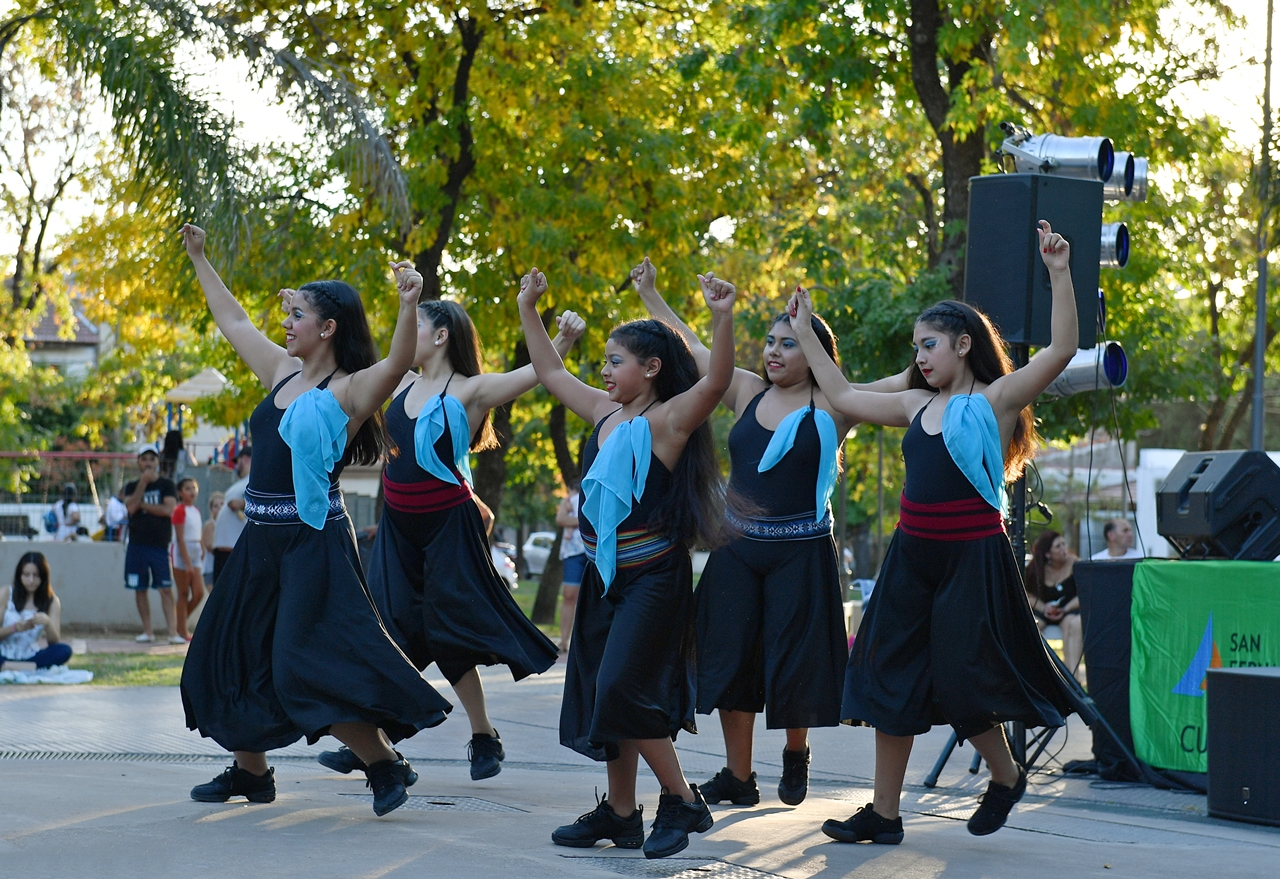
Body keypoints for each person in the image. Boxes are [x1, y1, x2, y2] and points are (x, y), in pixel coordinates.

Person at [799, 221, 1079, 844]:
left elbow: (1060, 351)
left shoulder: (1000, 398)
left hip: (972, 558)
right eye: (917, 347)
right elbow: (840, 394)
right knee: (888, 673)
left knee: (961, 681)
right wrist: (803, 334)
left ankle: (1005, 777)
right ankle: (884, 815)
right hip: (912, 555)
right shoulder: (913, 404)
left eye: (929, 345)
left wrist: (1059, 272)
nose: (919, 357)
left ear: (962, 344)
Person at [178, 223, 452, 817]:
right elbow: (234, 322)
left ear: (327, 328)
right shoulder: (280, 371)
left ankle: (384, 763)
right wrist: (201, 256)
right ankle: (252, 773)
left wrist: (408, 304)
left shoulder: (350, 389)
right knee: (229, 649)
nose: (286, 322)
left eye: (297, 314)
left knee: (304, 663)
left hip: (314, 541)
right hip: (261, 539)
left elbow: (401, 357)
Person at [635, 256, 908, 808]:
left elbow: (911, 380)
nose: (774, 352)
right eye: (771, 342)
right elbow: (689, 348)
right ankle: (739, 776)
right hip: (737, 548)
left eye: (790, 343)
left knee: (794, 662)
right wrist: (651, 297)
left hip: (801, 553)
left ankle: (794, 752)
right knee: (730, 658)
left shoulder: (836, 404)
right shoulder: (743, 390)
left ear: (813, 353)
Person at [319, 298, 583, 782]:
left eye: (415, 324)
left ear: (441, 336)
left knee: (450, 631)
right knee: (389, 627)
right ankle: (375, 739)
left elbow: (541, 372)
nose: (406, 333)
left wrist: (560, 338)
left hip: (448, 526)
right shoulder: (398, 382)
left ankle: (483, 736)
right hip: (399, 527)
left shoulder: (472, 390)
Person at [521, 265, 735, 860]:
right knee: (601, 693)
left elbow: (715, 383)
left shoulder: (667, 422)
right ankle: (620, 813)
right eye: (605, 362)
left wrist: (722, 318)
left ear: (652, 369)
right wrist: (528, 309)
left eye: (615, 361)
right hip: (602, 574)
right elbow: (546, 370)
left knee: (621, 687)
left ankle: (685, 799)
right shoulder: (602, 413)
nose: (605, 371)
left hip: (653, 579)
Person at [124, 443, 180, 644]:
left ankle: (172, 633)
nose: (148, 463)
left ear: (158, 462)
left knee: (165, 589)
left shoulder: (167, 485)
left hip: (159, 546)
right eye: (144, 459)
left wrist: (143, 506)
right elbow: (130, 508)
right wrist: (142, 485)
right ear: (139, 461)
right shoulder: (131, 486)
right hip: (137, 544)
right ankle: (148, 631)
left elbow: (168, 510)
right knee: (140, 588)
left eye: (152, 459)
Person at [1025, 531, 1083, 678]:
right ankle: (1037, 675)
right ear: (1047, 554)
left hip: (1068, 610)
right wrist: (1043, 608)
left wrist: (1065, 608)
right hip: (1043, 610)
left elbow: (1084, 593)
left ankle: (1072, 677)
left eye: (1064, 544)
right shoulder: (1035, 569)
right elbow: (1026, 593)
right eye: (1058, 546)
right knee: (1031, 627)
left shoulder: (1076, 564)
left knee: (1073, 625)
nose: (1064, 549)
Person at [1, 552, 71, 670]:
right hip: (3, 652)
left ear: (43, 577)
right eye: (26, 575)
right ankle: (27, 668)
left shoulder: (52, 601)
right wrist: (14, 628)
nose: (31, 580)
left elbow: (54, 642)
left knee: (64, 650)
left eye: (36, 575)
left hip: (30, 655)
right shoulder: (6, 593)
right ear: (19, 575)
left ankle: (9, 667)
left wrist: (48, 623)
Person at [170, 477, 205, 642]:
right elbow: (180, 538)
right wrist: (187, 562)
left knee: (198, 593)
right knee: (183, 593)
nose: (192, 492)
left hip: (196, 552)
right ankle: (182, 631)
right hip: (182, 554)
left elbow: (198, 533)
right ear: (180, 492)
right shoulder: (179, 510)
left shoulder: (196, 510)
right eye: (188, 488)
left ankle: (180, 623)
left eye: (194, 488)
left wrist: (202, 548)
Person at [210, 448, 251, 584]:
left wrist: (242, 503)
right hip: (224, 552)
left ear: (245, 459)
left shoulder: (254, 480)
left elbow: (262, 503)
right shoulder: (241, 483)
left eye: (237, 461)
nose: (235, 465)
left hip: (235, 551)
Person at [555, 479, 586, 655]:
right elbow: (561, 519)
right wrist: (582, 520)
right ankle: (564, 640)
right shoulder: (567, 500)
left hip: (593, 552)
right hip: (572, 553)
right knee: (569, 595)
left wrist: (574, 519)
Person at [201, 491, 224, 587]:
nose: (220, 508)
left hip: (226, 568)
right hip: (211, 569)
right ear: (211, 509)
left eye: (222, 504)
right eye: (215, 506)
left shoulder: (231, 524)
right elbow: (210, 546)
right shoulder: (210, 525)